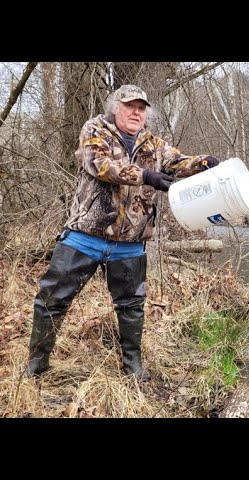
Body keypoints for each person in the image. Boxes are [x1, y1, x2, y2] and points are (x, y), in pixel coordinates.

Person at [26, 84, 220, 381]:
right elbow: (101, 166)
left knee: (131, 307)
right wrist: (146, 175)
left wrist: (204, 163)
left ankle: (133, 369)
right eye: (130, 106)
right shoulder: (95, 130)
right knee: (51, 300)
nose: (136, 113)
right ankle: (36, 367)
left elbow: (178, 162)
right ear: (115, 108)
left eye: (142, 109)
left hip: (130, 243)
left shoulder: (153, 144)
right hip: (85, 235)